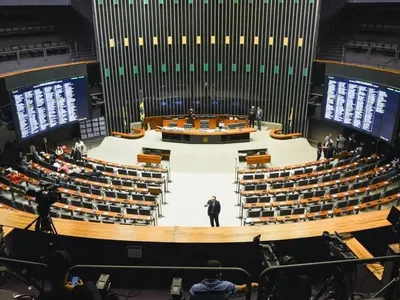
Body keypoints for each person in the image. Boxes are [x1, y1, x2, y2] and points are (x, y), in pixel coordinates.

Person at [189, 260, 258, 300]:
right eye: (220, 271)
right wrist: (258, 284)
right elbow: (243, 288)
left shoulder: (194, 289)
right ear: (217, 274)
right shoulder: (226, 286)